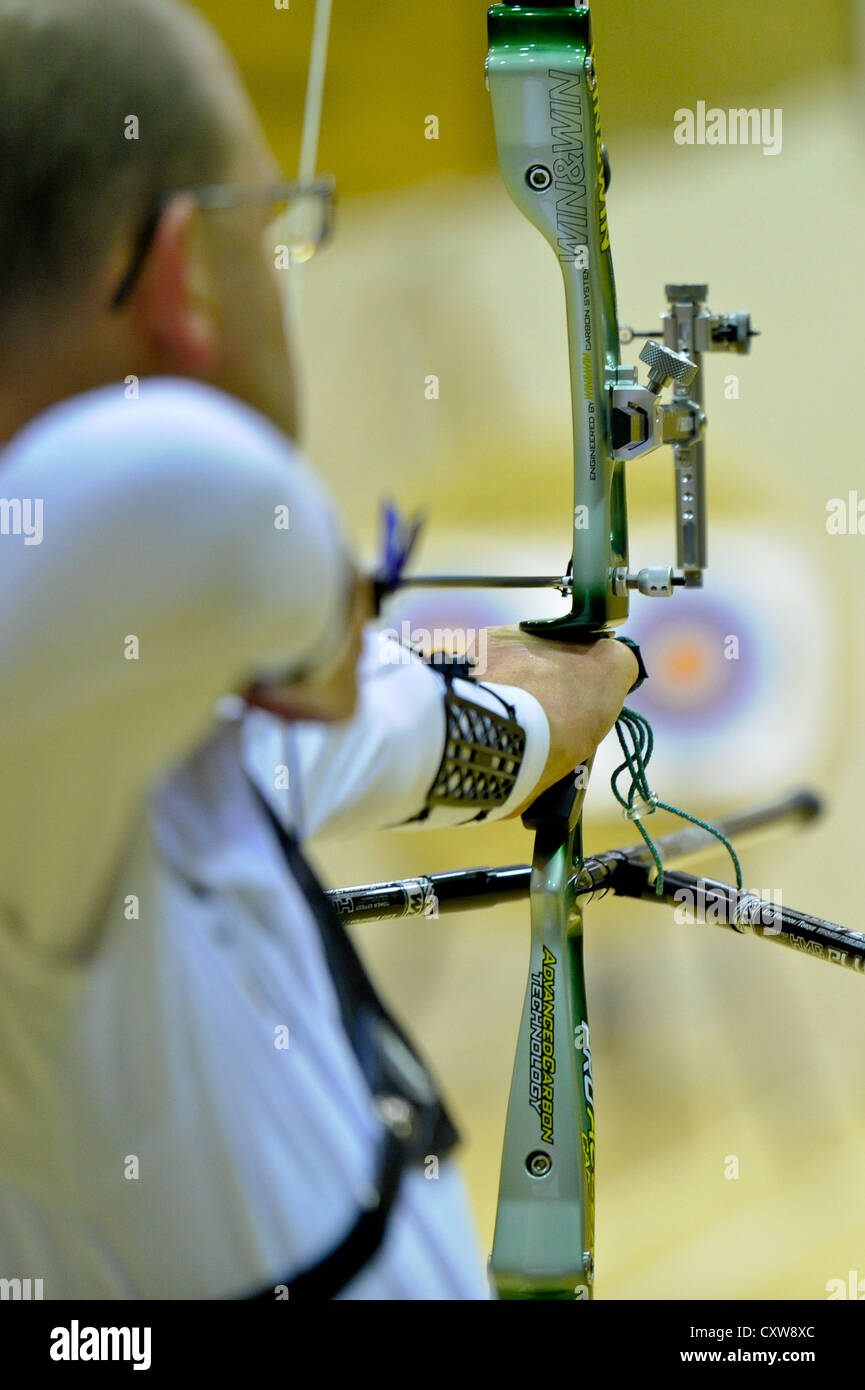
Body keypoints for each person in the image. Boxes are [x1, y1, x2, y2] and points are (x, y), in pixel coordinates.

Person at [0, 0, 638, 1299]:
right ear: (182, 273)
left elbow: (350, 736)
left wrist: (539, 714)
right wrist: (325, 615)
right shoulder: (103, 557)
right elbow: (211, 502)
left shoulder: (107, 714)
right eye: (273, 228)